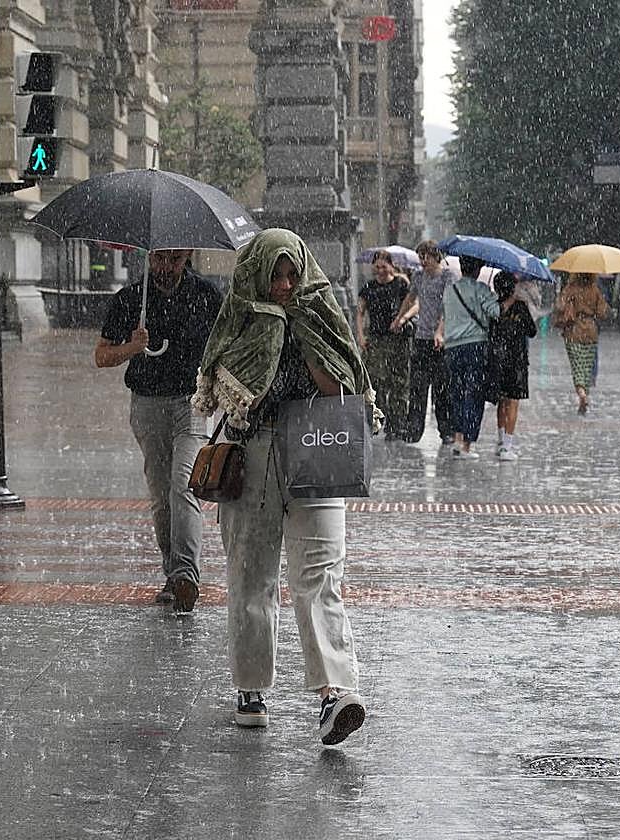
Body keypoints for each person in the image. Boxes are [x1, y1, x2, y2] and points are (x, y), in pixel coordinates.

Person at [191, 228, 378, 746]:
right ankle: (250, 687)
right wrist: (265, 342)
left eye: (292, 272)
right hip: (252, 451)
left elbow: (343, 384)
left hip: (318, 444)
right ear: (257, 272)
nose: (285, 283)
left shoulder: (320, 310)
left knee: (320, 571)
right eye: (275, 273)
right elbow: (224, 387)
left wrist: (301, 333)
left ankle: (335, 692)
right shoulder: (239, 315)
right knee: (251, 571)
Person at [95, 249, 221, 614]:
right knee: (161, 496)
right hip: (147, 404)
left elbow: (225, 344)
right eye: (160, 259)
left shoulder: (206, 296)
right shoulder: (132, 299)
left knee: (184, 485)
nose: (165, 268)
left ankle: (185, 575)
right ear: (149, 258)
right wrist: (132, 347)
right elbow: (101, 355)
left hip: (191, 403)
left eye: (175, 260)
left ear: (188, 258)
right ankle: (172, 571)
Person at [433, 257, 516, 459]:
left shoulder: (450, 290)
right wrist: (510, 300)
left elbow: (445, 314)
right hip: (475, 347)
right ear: (478, 269)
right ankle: (468, 445)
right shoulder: (481, 289)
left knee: (457, 393)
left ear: (462, 268)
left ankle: (457, 437)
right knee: (473, 394)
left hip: (452, 348)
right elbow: (495, 312)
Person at [390, 240, 455, 445]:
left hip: (439, 341)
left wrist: (440, 331)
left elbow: (448, 306)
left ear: (436, 256)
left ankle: (446, 430)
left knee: (441, 387)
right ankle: (413, 429)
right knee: (417, 386)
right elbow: (410, 299)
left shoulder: (447, 277)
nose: (423, 261)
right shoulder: (418, 276)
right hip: (421, 338)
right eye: (420, 257)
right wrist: (400, 318)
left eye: (425, 256)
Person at [357, 251, 411, 439]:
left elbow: (412, 302)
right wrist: (361, 335)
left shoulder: (401, 284)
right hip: (376, 339)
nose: (380, 270)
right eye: (377, 267)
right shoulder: (368, 288)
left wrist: (401, 319)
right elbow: (360, 312)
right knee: (377, 381)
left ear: (391, 266)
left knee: (399, 382)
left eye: (383, 266)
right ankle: (382, 418)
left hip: (398, 339)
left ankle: (397, 425)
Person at [486, 271, 537, 460]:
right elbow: (532, 331)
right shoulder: (520, 307)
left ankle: (500, 440)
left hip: (497, 360)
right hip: (516, 361)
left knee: (501, 401)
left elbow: (489, 332)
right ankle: (507, 446)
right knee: (513, 402)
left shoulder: (493, 307)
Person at [554, 272, 609, 414]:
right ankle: (584, 395)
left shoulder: (570, 288)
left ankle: (582, 395)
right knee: (586, 368)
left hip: (574, 331)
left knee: (577, 367)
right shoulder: (595, 289)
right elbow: (602, 312)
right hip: (591, 331)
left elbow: (559, 306)